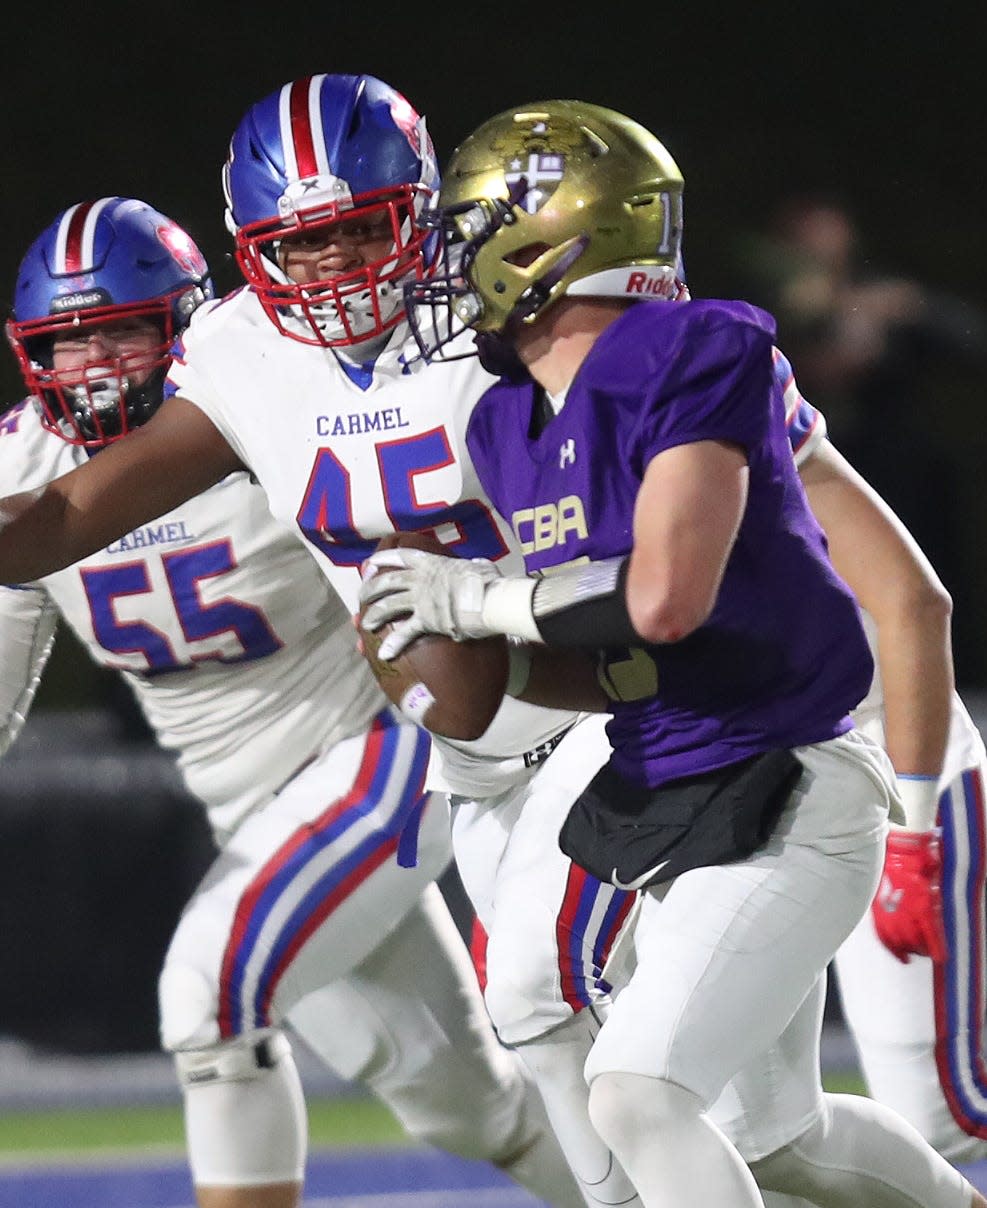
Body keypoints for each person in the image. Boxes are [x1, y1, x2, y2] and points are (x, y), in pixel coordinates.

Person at [0, 77, 642, 1208]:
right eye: (72, 341)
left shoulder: (302, 378)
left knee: (210, 990)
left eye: (124, 335)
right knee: (471, 1104)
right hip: (260, 806)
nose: (98, 367)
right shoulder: (73, 450)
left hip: (392, 749)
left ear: (187, 322)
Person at [359, 98, 986, 1207]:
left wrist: (483, 596)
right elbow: (611, 663)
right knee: (780, 1137)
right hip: (668, 782)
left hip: (791, 777)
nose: (447, 270)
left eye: (466, 235)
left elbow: (661, 600)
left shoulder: (694, 347)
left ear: (551, 238)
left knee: (636, 1091)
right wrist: (460, 668)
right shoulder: (509, 423)